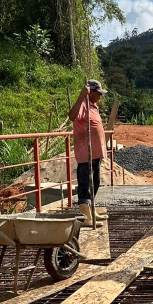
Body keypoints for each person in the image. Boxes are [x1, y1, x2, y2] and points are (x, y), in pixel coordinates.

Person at [68, 80, 108, 226]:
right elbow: (72, 116)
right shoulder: (83, 105)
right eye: (98, 93)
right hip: (86, 152)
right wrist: (80, 96)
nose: (100, 96)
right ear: (90, 92)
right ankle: (86, 216)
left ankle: (91, 210)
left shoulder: (93, 107)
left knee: (95, 181)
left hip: (96, 152)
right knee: (85, 182)